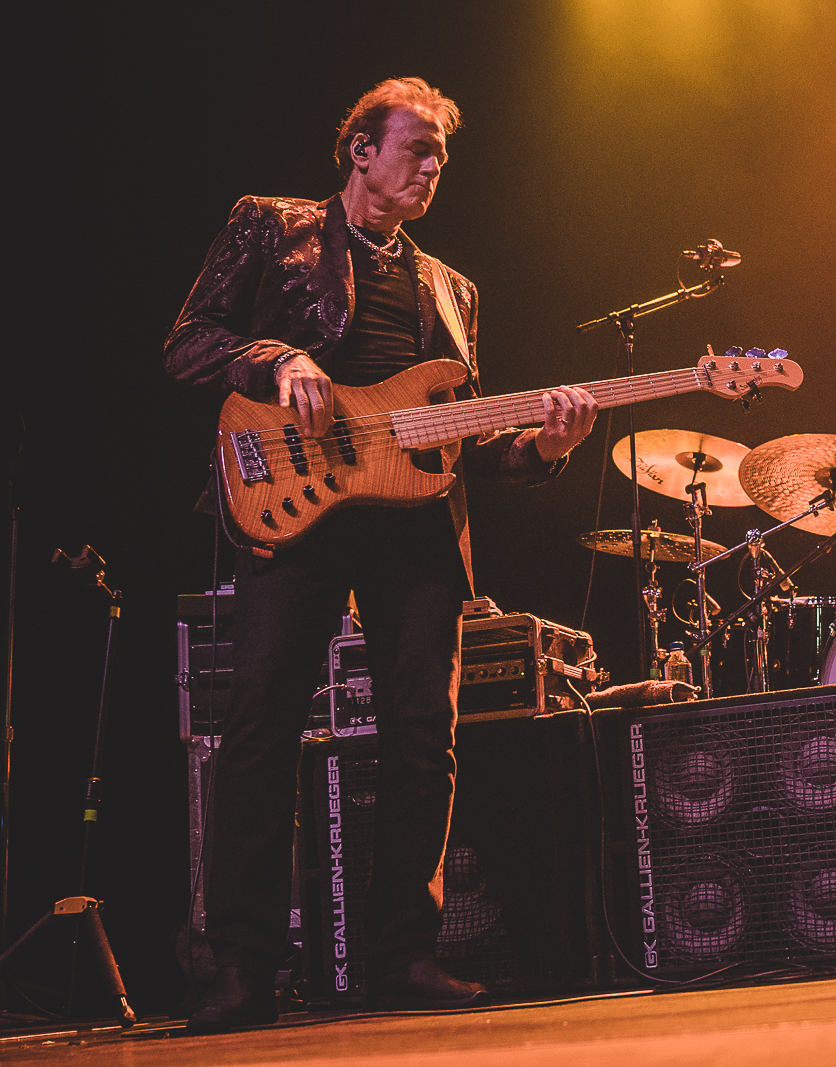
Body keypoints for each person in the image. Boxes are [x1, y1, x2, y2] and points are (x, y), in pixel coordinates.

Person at [165, 77, 598, 1033]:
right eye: (419, 146)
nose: (436, 164)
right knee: (259, 731)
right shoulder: (272, 229)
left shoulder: (454, 291)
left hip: (416, 534)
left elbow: (469, 442)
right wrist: (278, 358)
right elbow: (189, 343)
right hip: (294, 507)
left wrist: (546, 445)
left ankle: (403, 954)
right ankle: (242, 966)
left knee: (422, 738)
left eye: (444, 153)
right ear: (360, 150)